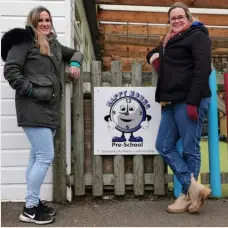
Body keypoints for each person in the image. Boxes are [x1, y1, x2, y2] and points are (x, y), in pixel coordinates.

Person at [1, 6, 84, 224]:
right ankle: (30, 209)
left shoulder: (54, 44)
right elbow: (11, 71)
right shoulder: (23, 41)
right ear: (33, 22)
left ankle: (33, 202)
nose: (45, 23)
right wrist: (31, 90)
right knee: (45, 156)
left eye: (48, 19)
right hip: (32, 107)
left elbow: (76, 53)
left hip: (49, 108)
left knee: (36, 156)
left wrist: (74, 63)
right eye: (40, 21)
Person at [146, 2, 212, 214]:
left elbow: (203, 69)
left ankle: (187, 196)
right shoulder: (169, 40)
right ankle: (193, 187)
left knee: (190, 148)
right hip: (172, 101)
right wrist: (155, 58)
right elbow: (154, 54)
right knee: (163, 145)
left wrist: (193, 101)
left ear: (188, 17)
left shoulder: (198, 35)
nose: (176, 20)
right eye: (172, 18)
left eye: (180, 17)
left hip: (190, 99)